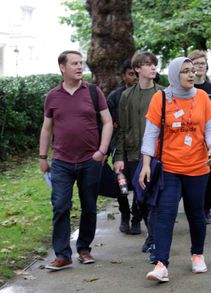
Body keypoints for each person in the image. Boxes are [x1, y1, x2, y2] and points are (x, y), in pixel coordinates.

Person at [139, 57, 211, 282]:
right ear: (175, 74)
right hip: (169, 168)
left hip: (198, 167)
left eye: (193, 70)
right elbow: (150, 134)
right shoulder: (161, 98)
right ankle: (161, 264)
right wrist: (146, 164)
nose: (191, 75)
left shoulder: (202, 97)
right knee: (165, 214)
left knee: (196, 214)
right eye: (185, 71)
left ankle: (197, 255)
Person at [39, 50, 113, 271]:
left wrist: (102, 151)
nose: (80, 67)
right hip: (61, 161)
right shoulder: (52, 96)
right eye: (74, 64)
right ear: (62, 68)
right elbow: (47, 127)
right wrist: (43, 157)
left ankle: (84, 249)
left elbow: (107, 122)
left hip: (90, 160)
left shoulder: (93, 91)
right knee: (60, 206)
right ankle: (62, 255)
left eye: (81, 63)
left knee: (89, 206)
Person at [113, 52, 164, 252]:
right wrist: (119, 156)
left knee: (155, 199)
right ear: (137, 69)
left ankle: (152, 237)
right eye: (147, 64)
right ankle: (143, 226)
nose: (152, 68)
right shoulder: (126, 96)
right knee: (140, 198)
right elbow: (122, 129)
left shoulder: (163, 94)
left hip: (157, 156)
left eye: (154, 64)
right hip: (134, 154)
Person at [187, 50, 211, 224]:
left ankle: (206, 209)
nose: (199, 66)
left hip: (210, 140)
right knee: (195, 177)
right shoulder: (187, 89)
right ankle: (197, 209)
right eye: (196, 64)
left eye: (202, 63)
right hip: (191, 140)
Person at [106, 59, 138, 234]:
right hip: (120, 151)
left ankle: (137, 218)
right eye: (130, 74)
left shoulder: (148, 95)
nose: (134, 77)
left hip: (140, 151)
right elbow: (107, 125)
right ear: (124, 76)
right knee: (122, 186)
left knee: (140, 186)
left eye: (136, 73)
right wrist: (107, 148)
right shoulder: (114, 97)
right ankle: (125, 214)